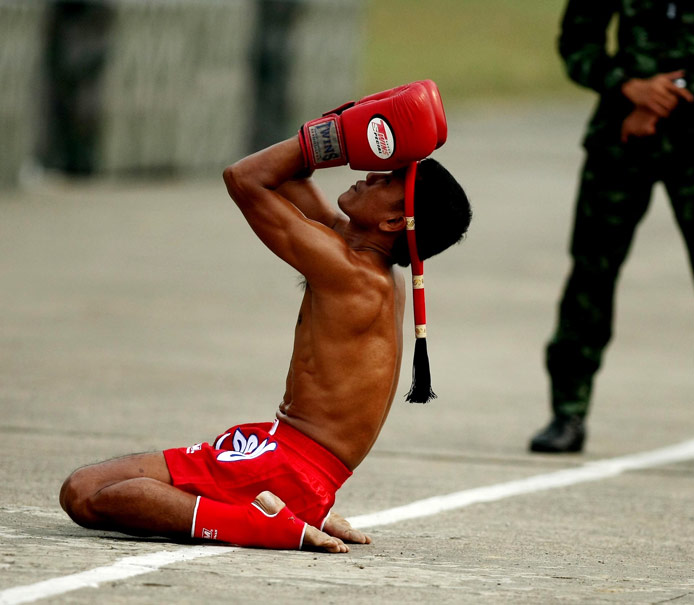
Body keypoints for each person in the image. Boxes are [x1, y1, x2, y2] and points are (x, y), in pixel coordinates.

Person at [59, 81, 472, 551]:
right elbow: (285, 177)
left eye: (387, 179)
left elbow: (245, 178)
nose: (370, 172)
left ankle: (263, 523)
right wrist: (336, 125)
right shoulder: (365, 259)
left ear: (395, 221)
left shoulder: (351, 273)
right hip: (287, 458)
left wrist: (334, 137)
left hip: (287, 469)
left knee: (86, 495)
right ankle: (288, 512)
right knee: (89, 487)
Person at [529, 1, 694, 466]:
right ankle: (567, 413)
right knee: (591, 275)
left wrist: (676, 92)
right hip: (621, 136)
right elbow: (577, 43)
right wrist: (629, 87)